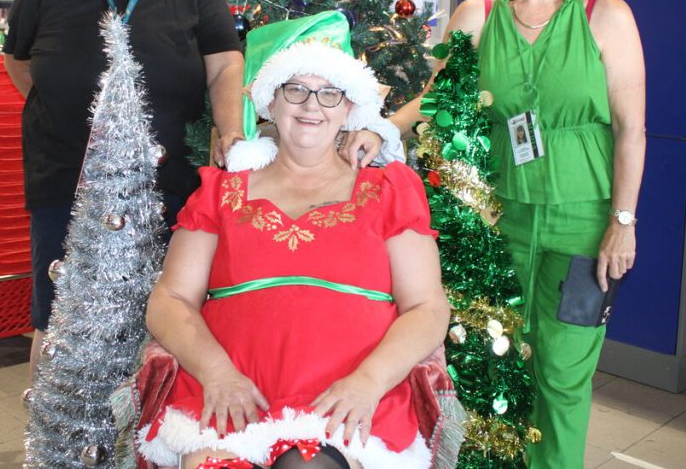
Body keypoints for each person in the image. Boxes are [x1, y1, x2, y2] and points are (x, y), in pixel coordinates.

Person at [3, 0, 385, 382]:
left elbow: (226, 65)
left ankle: (141, 447)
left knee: (163, 315)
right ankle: (55, 443)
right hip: (66, 180)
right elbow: (19, 64)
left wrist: (230, 130)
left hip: (167, 182)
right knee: (59, 317)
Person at [390, 0, 645, 469]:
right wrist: (371, 127)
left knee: (562, 375)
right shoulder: (476, 16)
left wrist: (623, 222)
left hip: (582, 226)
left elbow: (632, 131)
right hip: (493, 225)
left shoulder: (605, 16)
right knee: (492, 373)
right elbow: (434, 101)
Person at [138, 33, 453, 469]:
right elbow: (169, 299)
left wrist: (369, 381)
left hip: (347, 397)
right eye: (296, 89)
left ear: (348, 108)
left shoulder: (389, 190)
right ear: (271, 101)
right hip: (232, 392)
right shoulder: (220, 191)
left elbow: (427, 307)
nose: (311, 106)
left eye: (329, 93)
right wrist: (216, 373)